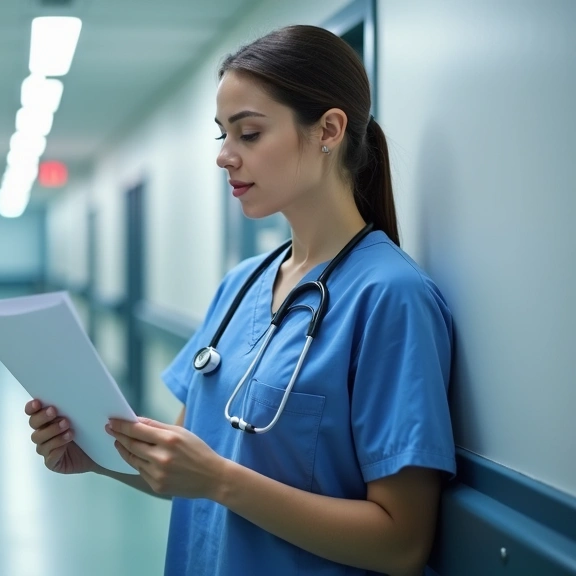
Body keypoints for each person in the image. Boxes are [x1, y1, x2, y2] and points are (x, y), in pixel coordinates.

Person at [24, 24, 455, 576]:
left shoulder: (391, 298)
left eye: (248, 134)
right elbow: (185, 464)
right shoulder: (242, 285)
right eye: (221, 136)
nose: (225, 157)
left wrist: (222, 480)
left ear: (328, 130)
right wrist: (101, 459)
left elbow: (401, 543)